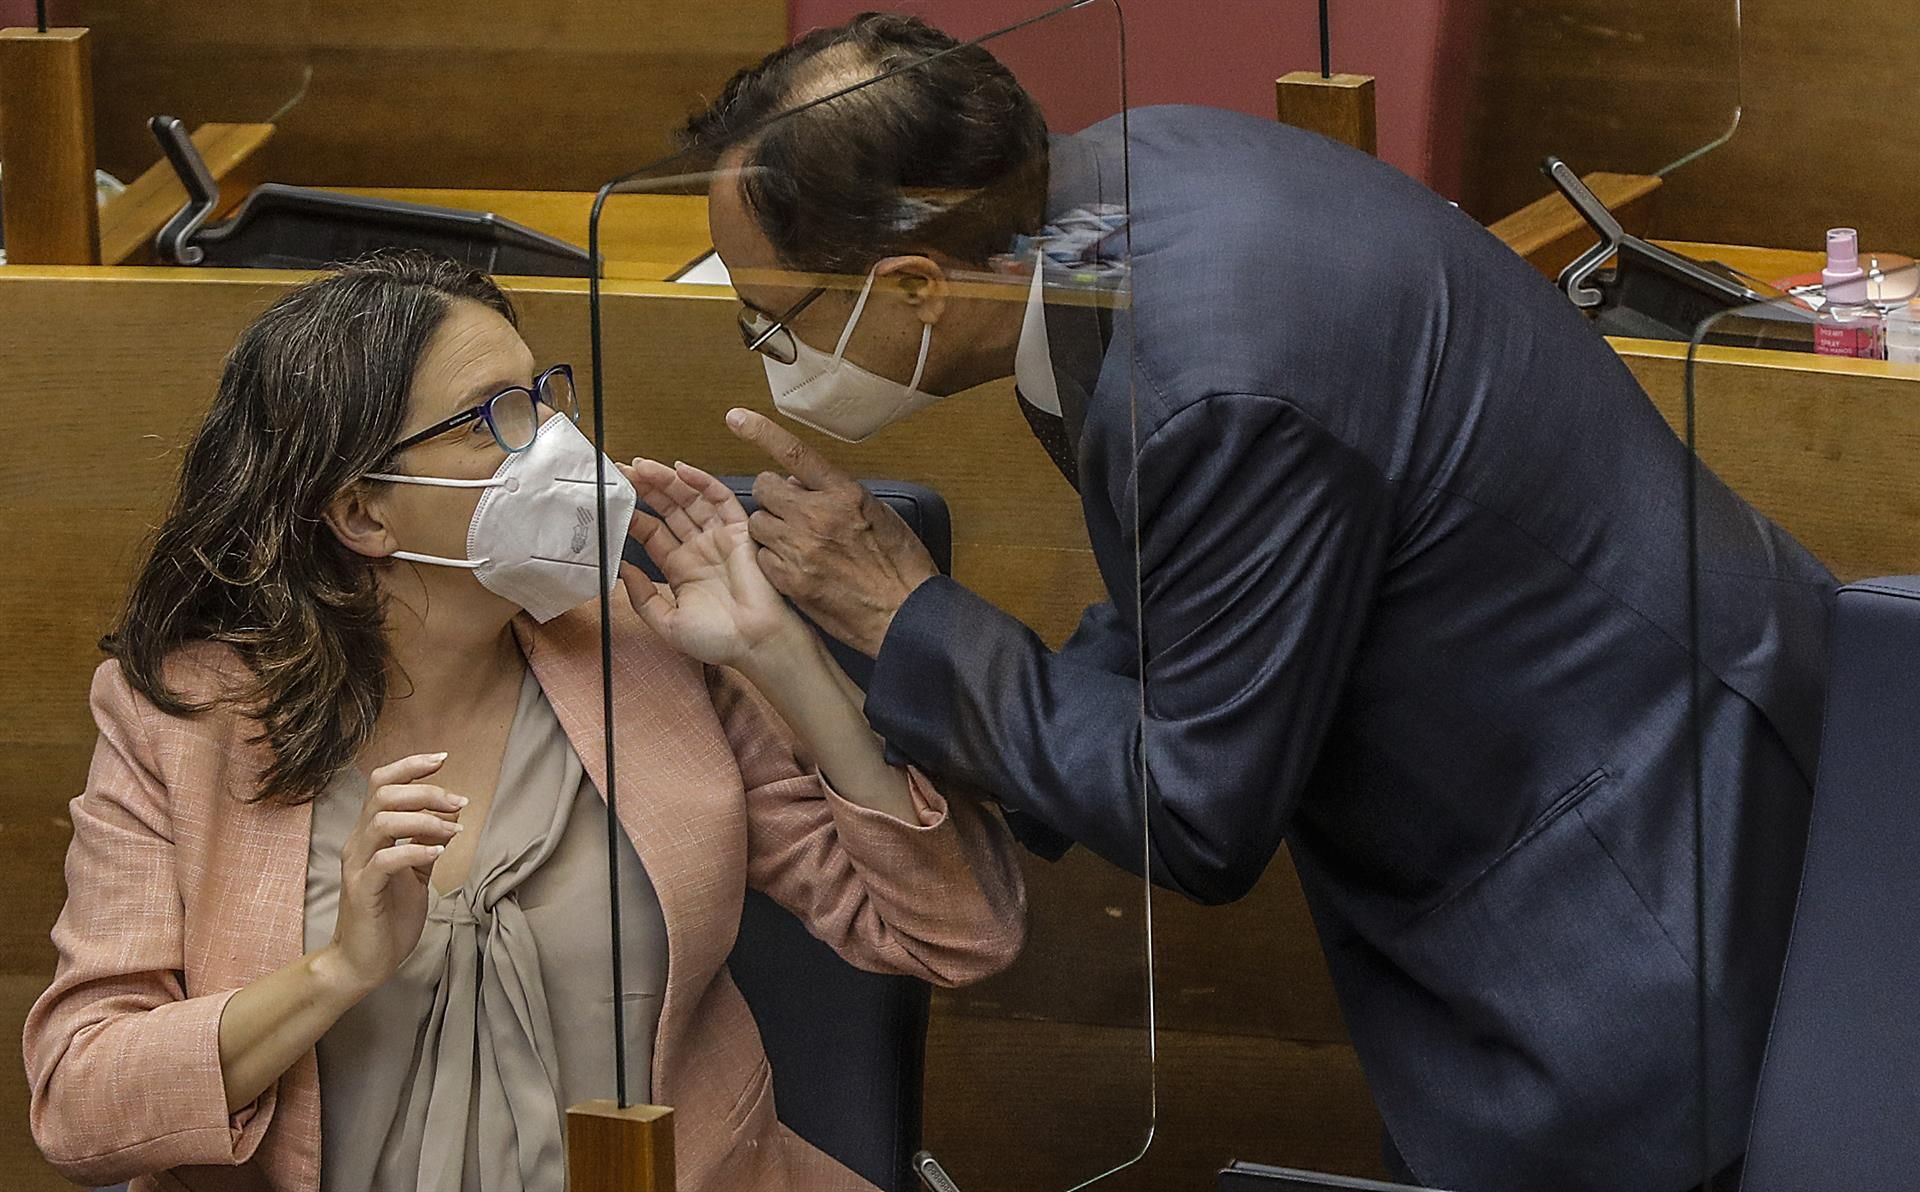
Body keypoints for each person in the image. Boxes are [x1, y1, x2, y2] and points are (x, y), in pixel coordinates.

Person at [682, 14, 1834, 1192]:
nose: (762, 347)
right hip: (1598, 749)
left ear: (918, 285)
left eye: (773, 314)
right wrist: (969, 750)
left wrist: (905, 613)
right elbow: (1194, 589)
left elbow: (1198, 811)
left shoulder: (1214, 374)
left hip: (1632, 866)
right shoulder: (1093, 208)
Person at [22, 252, 1025, 1192]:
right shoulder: (180, 717)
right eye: (493, 417)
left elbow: (959, 933)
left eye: (545, 396)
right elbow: (80, 1099)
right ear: (364, 513)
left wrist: (784, 657)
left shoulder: (644, 648)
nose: (555, 443)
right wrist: (337, 972)